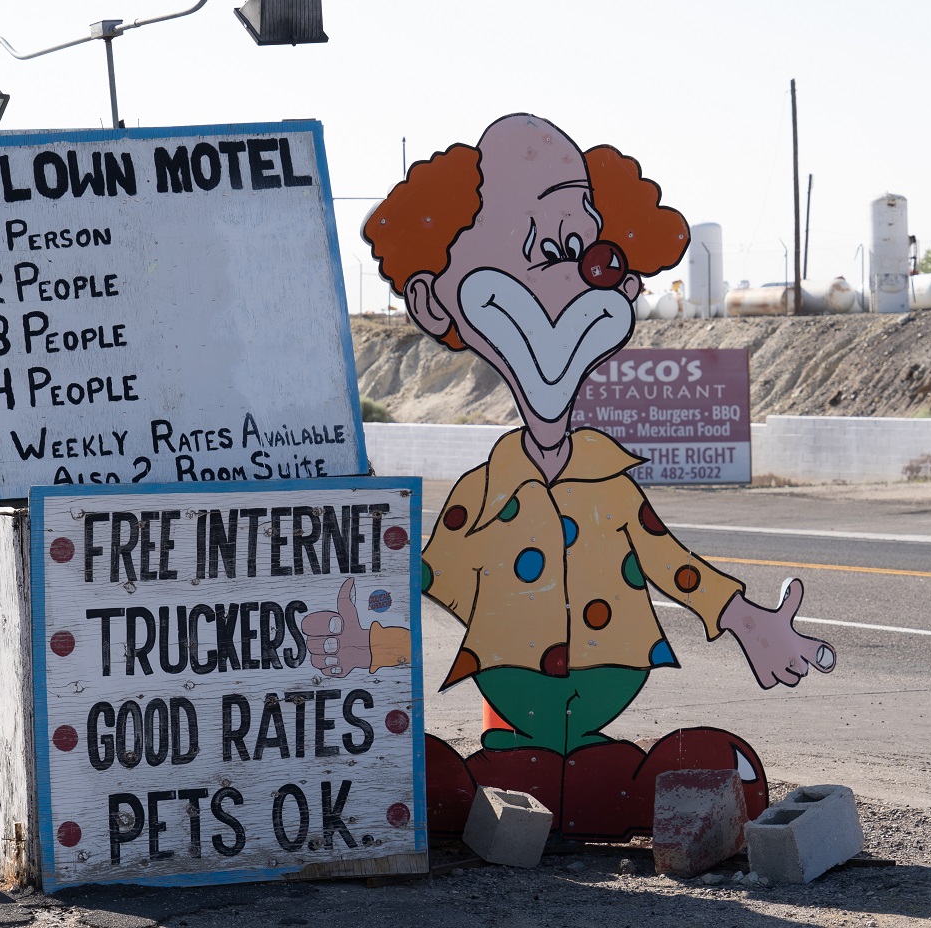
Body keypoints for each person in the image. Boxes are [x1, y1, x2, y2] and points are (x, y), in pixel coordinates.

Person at [333, 113, 836, 838]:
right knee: (467, 779)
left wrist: (748, 622)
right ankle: (478, 790)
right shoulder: (482, 497)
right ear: (433, 299)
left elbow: (672, 565)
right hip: (515, 704)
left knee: (684, 770)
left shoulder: (610, 482)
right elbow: (422, 587)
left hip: (607, 682)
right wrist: (367, 646)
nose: (570, 284)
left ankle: (615, 789)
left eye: (588, 256)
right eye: (538, 252)